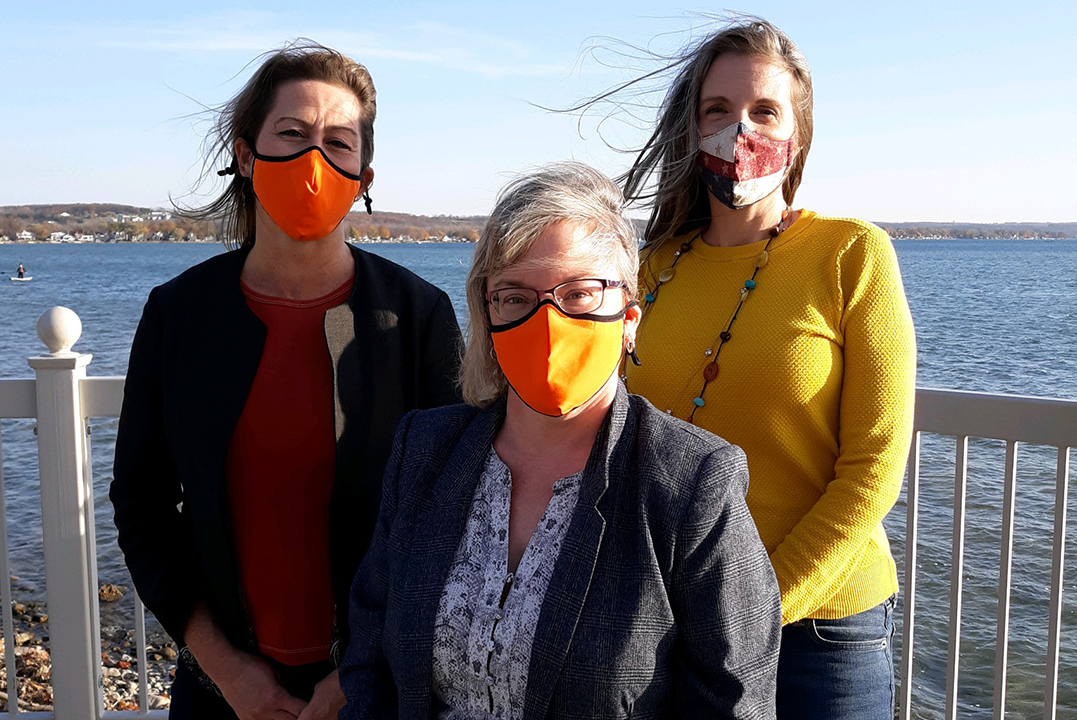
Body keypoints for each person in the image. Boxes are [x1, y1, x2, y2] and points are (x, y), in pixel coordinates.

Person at [339, 162, 781, 720]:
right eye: (517, 297)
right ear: (488, 315)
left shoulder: (691, 486)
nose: (549, 324)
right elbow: (370, 650)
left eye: (579, 294)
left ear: (629, 319)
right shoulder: (424, 450)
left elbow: (733, 703)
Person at [111, 42, 463, 720]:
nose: (314, 160)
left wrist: (360, 666)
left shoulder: (416, 316)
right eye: (293, 134)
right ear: (247, 156)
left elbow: (446, 514)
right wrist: (229, 672)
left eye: (339, 141)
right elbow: (143, 506)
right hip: (222, 694)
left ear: (364, 173)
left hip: (376, 687)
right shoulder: (179, 316)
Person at [616, 17, 917, 719]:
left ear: (798, 135)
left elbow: (873, 470)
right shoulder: (652, 266)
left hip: (821, 630)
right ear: (692, 133)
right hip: (674, 624)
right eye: (716, 110)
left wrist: (757, 608)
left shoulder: (852, 255)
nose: (739, 130)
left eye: (764, 111)